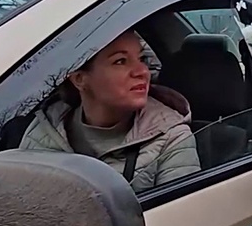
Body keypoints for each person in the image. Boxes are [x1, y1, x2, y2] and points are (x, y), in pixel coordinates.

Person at [20, 30, 201, 192]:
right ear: (79, 79)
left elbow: (178, 223)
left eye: (142, 59)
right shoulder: (43, 131)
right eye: (120, 61)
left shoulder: (172, 137)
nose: (142, 72)